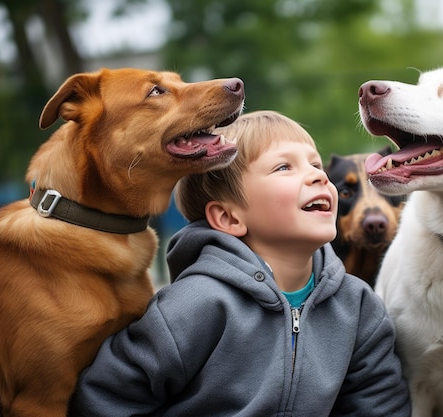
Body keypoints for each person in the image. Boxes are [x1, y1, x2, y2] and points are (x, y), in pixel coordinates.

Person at [69, 110, 411, 417]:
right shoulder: (193, 306)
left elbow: (379, 404)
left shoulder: (359, 307)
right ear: (229, 217)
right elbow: (105, 399)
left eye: (316, 165)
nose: (317, 176)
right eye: (284, 167)